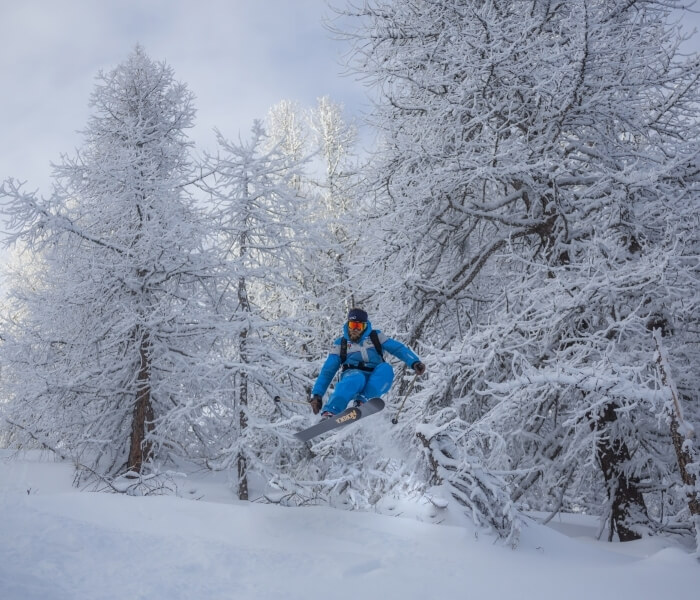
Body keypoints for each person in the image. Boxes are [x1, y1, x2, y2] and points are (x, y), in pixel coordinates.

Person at [309, 308, 426, 418]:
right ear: (348, 325)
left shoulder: (376, 337)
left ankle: (362, 401)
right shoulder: (341, 344)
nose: (355, 329)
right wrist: (317, 395)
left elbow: (398, 349)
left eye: (358, 326)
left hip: (374, 375)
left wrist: (414, 362)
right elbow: (327, 371)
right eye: (352, 325)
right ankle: (331, 411)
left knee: (386, 369)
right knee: (356, 377)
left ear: (365, 326)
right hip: (352, 374)